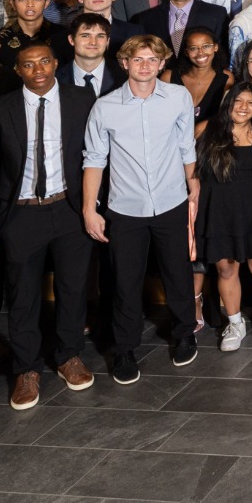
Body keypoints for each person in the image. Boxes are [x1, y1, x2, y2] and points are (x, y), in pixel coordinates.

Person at [0, 42, 97, 410]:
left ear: (56, 63)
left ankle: (69, 356)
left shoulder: (82, 100)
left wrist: (93, 206)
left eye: (44, 61)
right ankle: (27, 369)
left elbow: (97, 153)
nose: (38, 70)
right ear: (18, 71)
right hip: (21, 214)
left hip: (69, 209)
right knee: (23, 295)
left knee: (73, 288)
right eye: (29, 65)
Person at [82, 34, 200, 384]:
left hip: (171, 201)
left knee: (178, 273)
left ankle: (184, 333)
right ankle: (124, 349)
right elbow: (94, 160)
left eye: (152, 59)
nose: (145, 66)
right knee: (125, 282)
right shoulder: (105, 107)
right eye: (138, 59)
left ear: (162, 64)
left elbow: (186, 146)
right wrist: (90, 209)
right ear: (125, 63)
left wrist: (193, 184)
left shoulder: (178, 97)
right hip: (125, 208)